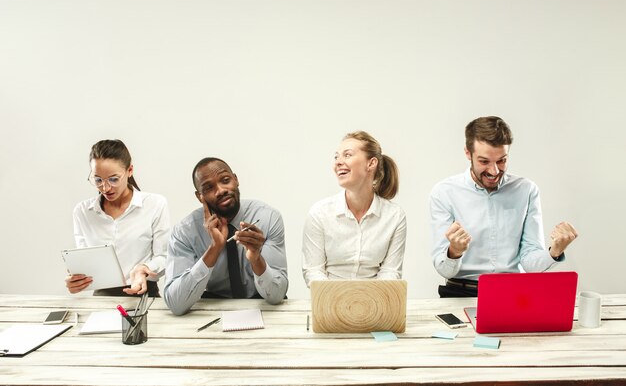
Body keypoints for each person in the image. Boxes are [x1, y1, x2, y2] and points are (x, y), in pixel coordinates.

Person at [430, 116, 578, 297]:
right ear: (468, 153)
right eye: (484, 161)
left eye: (502, 160)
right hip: (460, 293)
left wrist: (554, 251)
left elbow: (530, 262)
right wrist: (454, 252)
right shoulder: (444, 192)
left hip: (514, 293)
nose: (494, 171)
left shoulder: (526, 190)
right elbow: (444, 269)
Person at [164, 157, 288, 315]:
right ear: (199, 196)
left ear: (236, 180)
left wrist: (256, 259)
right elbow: (176, 304)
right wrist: (214, 249)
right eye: (208, 188)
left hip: (262, 306)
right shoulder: (185, 231)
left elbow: (277, 296)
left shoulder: (268, 217)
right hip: (213, 308)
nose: (221, 190)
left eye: (225, 180)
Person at [302, 131, 407, 287]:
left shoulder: (394, 216)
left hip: (375, 302)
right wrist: (339, 299)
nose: (338, 162)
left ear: (371, 163)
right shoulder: (319, 213)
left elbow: (390, 272)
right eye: (336, 156)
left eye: (347, 155)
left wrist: (366, 301)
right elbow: (313, 271)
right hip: (329, 301)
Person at [67, 139, 170, 297]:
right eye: (98, 180)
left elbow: (163, 257)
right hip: (102, 297)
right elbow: (85, 261)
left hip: (144, 294)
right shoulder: (82, 212)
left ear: (130, 171)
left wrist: (144, 269)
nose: (105, 188)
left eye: (114, 179)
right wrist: (75, 280)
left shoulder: (155, 204)